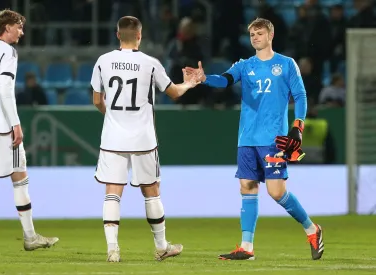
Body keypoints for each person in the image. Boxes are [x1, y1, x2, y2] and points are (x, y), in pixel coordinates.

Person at [185, 18, 324, 260]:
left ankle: (312, 229)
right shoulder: (244, 65)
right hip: (246, 137)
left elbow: (300, 95)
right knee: (247, 186)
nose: (255, 37)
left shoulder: (286, 64)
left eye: (259, 33)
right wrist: (204, 78)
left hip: (273, 139)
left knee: (277, 192)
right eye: (251, 34)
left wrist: (297, 127)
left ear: (271, 35)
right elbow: (224, 80)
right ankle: (246, 247)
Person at [90, 16, 201, 262]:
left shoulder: (103, 61)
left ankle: (112, 250)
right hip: (143, 137)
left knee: (112, 191)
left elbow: (97, 100)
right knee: (151, 190)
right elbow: (173, 92)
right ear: (140, 36)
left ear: (118, 35)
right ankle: (161, 246)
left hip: (113, 137)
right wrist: (190, 83)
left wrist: (113, 117)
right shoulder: (150, 63)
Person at [0, 9, 58, 252]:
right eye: (18, 27)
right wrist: (15, 123)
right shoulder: (8, 52)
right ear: (6, 28)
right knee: (20, 177)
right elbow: (4, 89)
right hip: (1, 126)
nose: (21, 32)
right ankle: (30, 237)